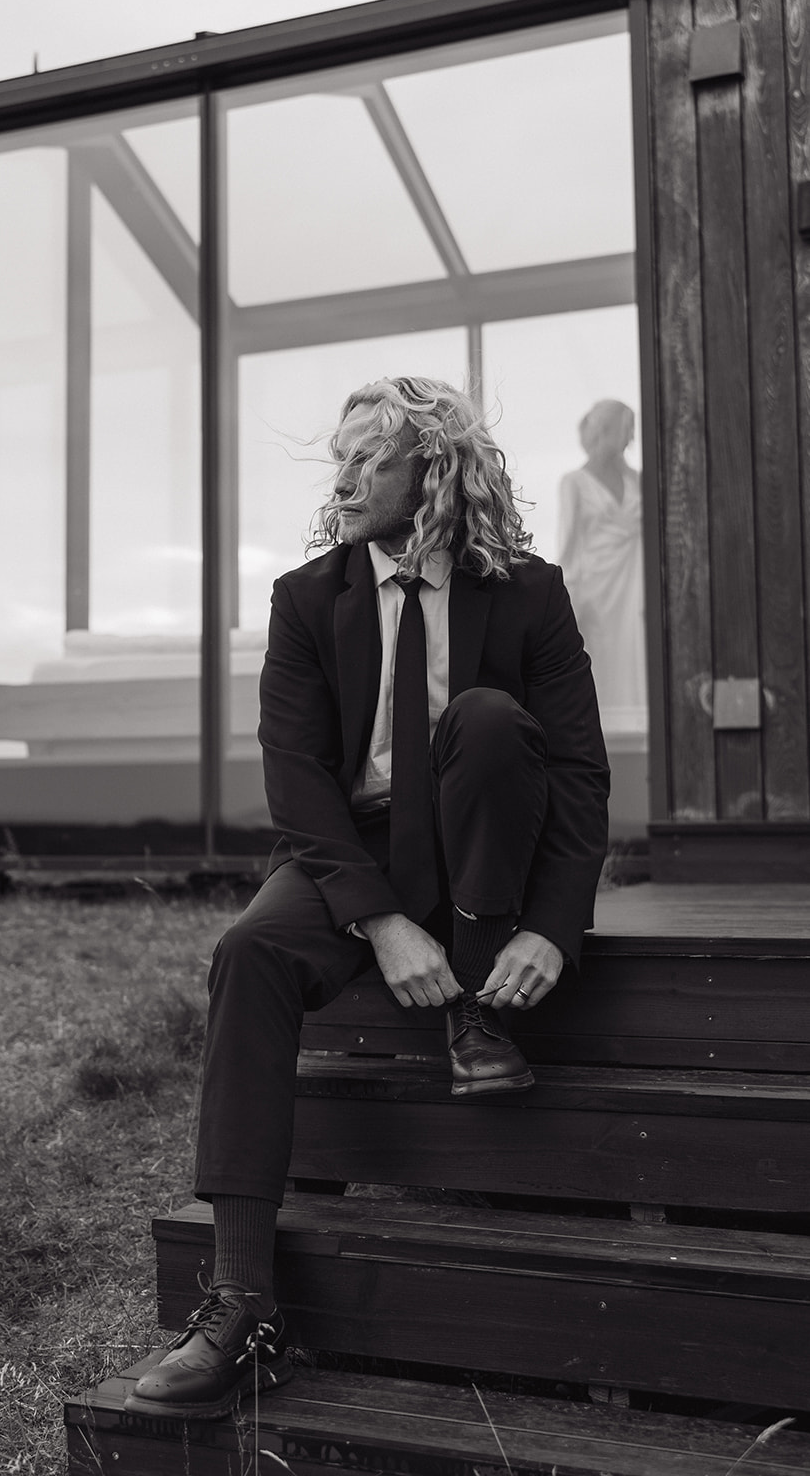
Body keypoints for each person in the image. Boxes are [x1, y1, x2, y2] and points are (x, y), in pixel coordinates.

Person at [125, 376, 609, 1422]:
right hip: (358, 849)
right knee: (247, 950)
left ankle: (474, 1002)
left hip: (482, 845)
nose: (341, 480)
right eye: (336, 460)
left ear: (430, 472)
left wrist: (549, 927)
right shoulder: (308, 596)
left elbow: (573, 772)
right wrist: (378, 920)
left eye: (366, 460)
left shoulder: (526, 589)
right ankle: (244, 1301)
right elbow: (296, 778)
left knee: (484, 719)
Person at [557, 399, 646, 727]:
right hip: (596, 591)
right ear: (605, 432)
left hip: (636, 589)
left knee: (638, 658)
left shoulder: (640, 481)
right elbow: (567, 545)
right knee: (602, 664)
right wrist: (565, 599)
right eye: (625, 430)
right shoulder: (574, 483)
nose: (630, 439)